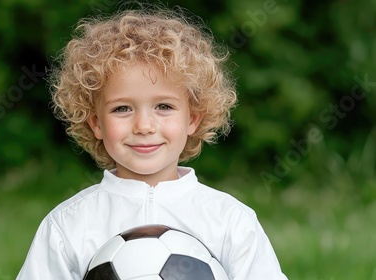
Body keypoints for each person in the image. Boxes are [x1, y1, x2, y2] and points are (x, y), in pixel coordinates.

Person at [17, 5, 288, 280]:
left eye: (164, 106)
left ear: (192, 118)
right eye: (122, 109)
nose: (144, 126)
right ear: (96, 123)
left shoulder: (230, 222)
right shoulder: (68, 226)